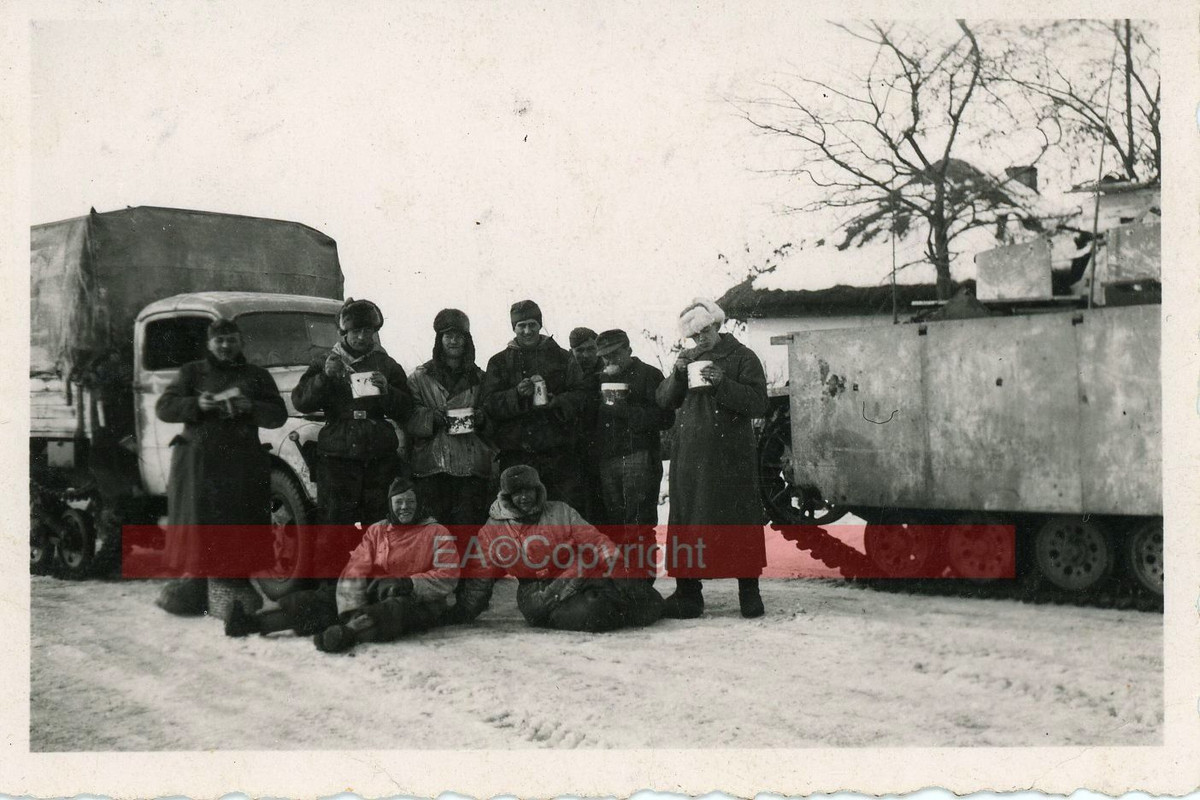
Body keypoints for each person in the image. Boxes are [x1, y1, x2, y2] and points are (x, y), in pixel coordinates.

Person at [224, 476, 459, 653]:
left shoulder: (437, 532)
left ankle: (347, 634)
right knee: (321, 599)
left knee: (393, 611)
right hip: (376, 589)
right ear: (390, 505)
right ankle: (253, 622)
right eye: (399, 502)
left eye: (410, 502)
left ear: (419, 504)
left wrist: (409, 583)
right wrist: (349, 604)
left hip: (418, 599)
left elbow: (448, 575)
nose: (405, 507)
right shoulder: (378, 530)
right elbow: (356, 566)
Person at [153, 318, 288, 616]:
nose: (226, 346)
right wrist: (197, 405)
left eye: (232, 340)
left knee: (238, 522)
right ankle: (196, 585)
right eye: (220, 340)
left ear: (241, 342)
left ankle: (233, 585)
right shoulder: (192, 372)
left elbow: (278, 415)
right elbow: (164, 407)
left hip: (241, 464)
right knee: (201, 524)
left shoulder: (257, 376)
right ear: (210, 344)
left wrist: (250, 408)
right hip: (201, 464)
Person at [655, 298, 769, 619]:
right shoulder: (687, 358)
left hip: (732, 457)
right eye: (694, 336)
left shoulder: (743, 356)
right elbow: (663, 399)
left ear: (716, 325)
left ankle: (749, 593)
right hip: (690, 456)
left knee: (738, 520)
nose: (700, 339)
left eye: (704, 331)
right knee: (689, 521)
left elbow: (759, 403)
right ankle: (688, 595)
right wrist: (677, 376)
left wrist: (723, 382)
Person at [450, 465, 664, 632]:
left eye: (528, 490)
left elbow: (595, 540)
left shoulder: (560, 511)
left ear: (538, 489)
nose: (524, 497)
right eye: (517, 492)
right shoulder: (492, 530)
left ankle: (623, 602)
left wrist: (614, 563)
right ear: (507, 496)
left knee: (646, 599)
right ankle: (611, 606)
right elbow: (480, 577)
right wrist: (465, 611)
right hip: (542, 594)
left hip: (580, 574)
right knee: (596, 611)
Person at [292, 298, 414, 564]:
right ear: (343, 333)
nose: (361, 337)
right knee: (334, 526)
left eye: (367, 331)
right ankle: (332, 593)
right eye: (355, 331)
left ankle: (377, 585)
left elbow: (406, 409)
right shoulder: (325, 361)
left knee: (379, 523)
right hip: (338, 457)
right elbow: (301, 401)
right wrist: (324, 377)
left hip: (378, 456)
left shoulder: (386, 364)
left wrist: (387, 391)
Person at [479, 299, 587, 509]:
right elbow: (489, 404)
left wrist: (558, 402)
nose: (527, 331)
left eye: (532, 324)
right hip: (516, 454)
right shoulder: (499, 362)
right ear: (514, 328)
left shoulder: (563, 357)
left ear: (540, 325)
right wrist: (516, 395)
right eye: (521, 325)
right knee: (520, 516)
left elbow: (582, 395)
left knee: (562, 514)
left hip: (558, 454)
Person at [406, 308, 495, 548]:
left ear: (467, 340)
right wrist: (432, 418)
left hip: (470, 466)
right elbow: (408, 414)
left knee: (468, 533)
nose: (454, 340)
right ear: (439, 340)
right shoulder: (419, 377)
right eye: (447, 335)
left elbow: (493, 414)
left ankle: (466, 583)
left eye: (459, 335)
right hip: (432, 467)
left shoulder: (481, 378)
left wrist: (481, 417)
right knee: (435, 534)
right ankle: (438, 581)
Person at [593, 329, 674, 576]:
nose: (609, 361)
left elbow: (665, 418)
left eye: (615, 354)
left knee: (639, 523)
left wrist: (624, 409)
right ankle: (621, 584)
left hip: (638, 456)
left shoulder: (649, 375)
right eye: (605, 357)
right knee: (615, 523)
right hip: (607, 459)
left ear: (628, 350)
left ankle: (642, 584)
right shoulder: (597, 379)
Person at [568, 326, 605, 523]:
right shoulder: (567, 374)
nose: (585, 355)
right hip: (574, 452)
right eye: (579, 350)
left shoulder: (607, 372)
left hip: (602, 450)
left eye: (591, 349)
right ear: (571, 352)